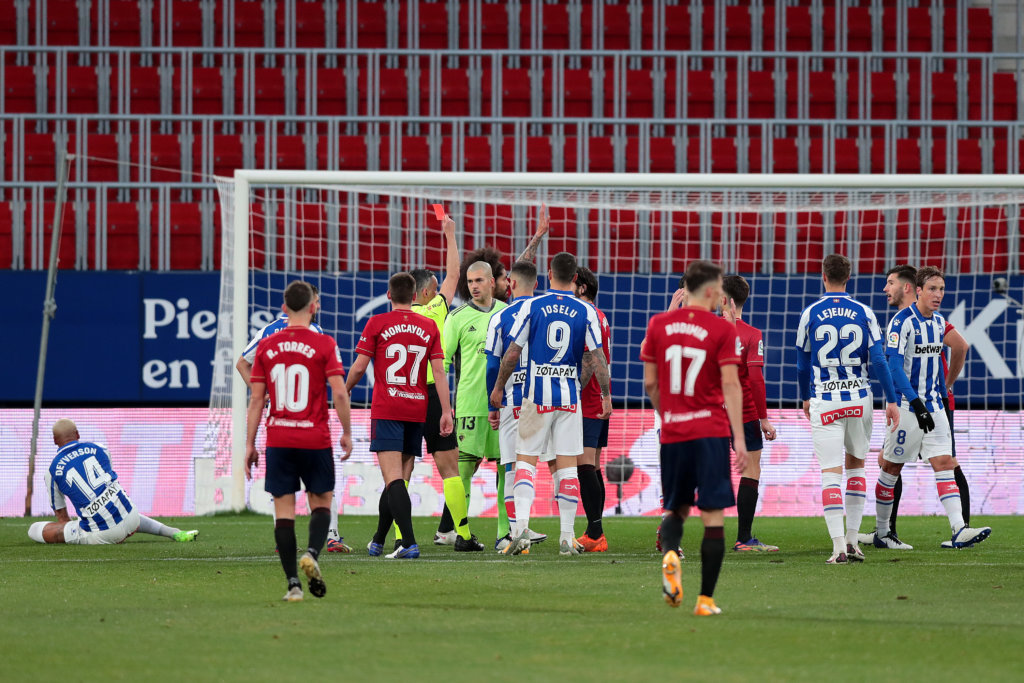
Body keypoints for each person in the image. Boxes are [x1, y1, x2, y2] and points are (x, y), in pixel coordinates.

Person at [642, 260, 747, 616]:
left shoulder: (658, 325)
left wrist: (669, 412)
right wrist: (740, 440)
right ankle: (705, 600)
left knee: (677, 507)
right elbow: (731, 385)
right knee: (713, 514)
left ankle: (671, 553)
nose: (721, 295)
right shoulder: (722, 330)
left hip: (673, 432)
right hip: (710, 432)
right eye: (718, 289)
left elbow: (651, 384)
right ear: (707, 291)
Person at [489, 251, 611, 556]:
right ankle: (567, 539)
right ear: (574, 279)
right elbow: (597, 358)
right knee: (568, 466)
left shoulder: (533, 306)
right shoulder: (587, 312)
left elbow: (513, 351)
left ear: (548, 273)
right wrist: (606, 395)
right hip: (570, 399)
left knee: (526, 462)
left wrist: (498, 387)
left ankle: (520, 531)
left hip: (536, 396)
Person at [244, 281, 354, 601]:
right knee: (321, 502)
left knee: (284, 513)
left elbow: (256, 401)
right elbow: (340, 392)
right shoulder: (323, 343)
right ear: (313, 307)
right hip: (314, 437)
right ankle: (313, 555)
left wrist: (250, 444)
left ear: (283, 308)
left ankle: (293, 584)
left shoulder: (266, 346)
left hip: (278, 438)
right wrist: (347, 432)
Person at [871, 266, 990, 549]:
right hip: (908, 408)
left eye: (942, 289)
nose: (938, 295)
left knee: (944, 463)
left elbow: (945, 358)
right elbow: (895, 367)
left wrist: (941, 390)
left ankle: (959, 529)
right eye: (933, 289)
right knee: (890, 468)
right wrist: (915, 402)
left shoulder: (939, 323)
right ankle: (883, 532)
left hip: (935, 407)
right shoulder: (901, 322)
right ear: (918, 291)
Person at [795, 254, 900, 564]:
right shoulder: (864, 312)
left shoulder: (811, 313)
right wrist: (891, 400)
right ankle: (854, 541)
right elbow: (879, 360)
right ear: (849, 277)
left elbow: (802, 363)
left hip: (825, 399)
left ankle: (839, 547)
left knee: (830, 474)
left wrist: (805, 396)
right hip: (859, 398)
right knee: (856, 468)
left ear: (823, 276)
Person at [346, 272, 454, 560]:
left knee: (393, 478)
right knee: (398, 480)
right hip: (417, 408)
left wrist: (344, 391)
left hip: (389, 408)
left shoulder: (378, 322)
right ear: (416, 296)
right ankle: (379, 540)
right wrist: (445, 410)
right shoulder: (429, 326)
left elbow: (359, 368)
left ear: (389, 295)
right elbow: (440, 372)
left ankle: (407, 542)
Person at [406, 214, 479, 552]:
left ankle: (399, 539)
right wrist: (450, 234)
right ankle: (462, 535)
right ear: (425, 293)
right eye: (435, 289)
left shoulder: (393, 318)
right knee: (450, 468)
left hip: (402, 396)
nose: (441, 292)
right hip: (433, 397)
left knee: (399, 472)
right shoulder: (435, 309)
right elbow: (454, 275)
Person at [29, 419, 199, 546]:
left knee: (35, 529)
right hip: (132, 517)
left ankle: (93, 528)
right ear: (78, 434)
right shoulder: (100, 448)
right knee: (116, 507)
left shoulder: (52, 471)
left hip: (104, 534)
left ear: (54, 441)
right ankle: (174, 533)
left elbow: (61, 516)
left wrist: (73, 528)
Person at [485, 259, 552, 552]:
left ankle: (516, 531)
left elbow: (492, 363)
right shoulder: (547, 312)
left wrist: (493, 398)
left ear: (510, 284)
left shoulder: (501, 317)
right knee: (554, 464)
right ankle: (566, 532)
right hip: (545, 399)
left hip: (513, 400)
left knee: (512, 466)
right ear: (537, 284)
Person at [442, 260, 505, 550]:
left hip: (504, 406)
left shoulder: (508, 313)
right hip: (468, 405)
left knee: (507, 469)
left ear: (492, 281)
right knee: (463, 471)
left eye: (479, 280)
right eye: (469, 282)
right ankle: (460, 534)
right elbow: (441, 363)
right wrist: (442, 406)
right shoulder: (457, 318)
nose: (474, 286)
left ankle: (504, 533)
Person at [720, 275, 779, 552]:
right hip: (742, 412)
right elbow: (756, 380)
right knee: (751, 469)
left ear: (723, 298)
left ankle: (673, 538)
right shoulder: (753, 334)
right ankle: (743, 538)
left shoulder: (704, 331)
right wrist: (764, 417)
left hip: (708, 412)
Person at [573, 266, 612, 552]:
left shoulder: (586, 315)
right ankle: (593, 530)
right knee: (594, 465)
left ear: (582, 287)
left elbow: (590, 358)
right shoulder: (600, 316)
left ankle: (596, 534)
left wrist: (573, 392)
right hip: (598, 397)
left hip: (587, 400)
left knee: (585, 465)